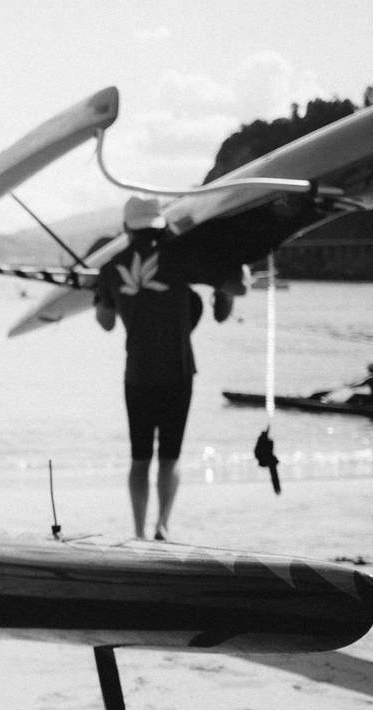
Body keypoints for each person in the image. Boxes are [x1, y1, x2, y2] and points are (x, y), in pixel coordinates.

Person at [95, 196, 239, 541]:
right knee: (169, 457)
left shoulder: (111, 267)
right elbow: (232, 288)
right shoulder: (179, 256)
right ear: (158, 224)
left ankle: (138, 532)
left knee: (139, 459)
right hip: (179, 372)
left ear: (127, 227)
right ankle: (162, 525)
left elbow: (106, 322)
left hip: (138, 374)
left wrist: (108, 295)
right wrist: (229, 283)